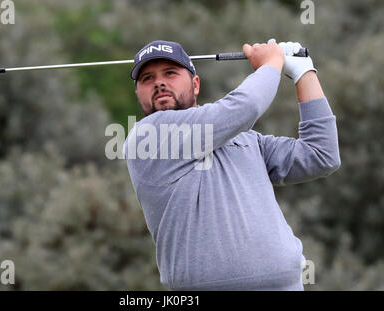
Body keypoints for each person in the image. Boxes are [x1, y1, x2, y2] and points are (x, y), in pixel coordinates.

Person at [123, 39, 340, 290]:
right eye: (147, 78)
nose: (159, 82)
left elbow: (321, 155)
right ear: (138, 93)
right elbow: (244, 107)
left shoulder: (244, 138)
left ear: (195, 85)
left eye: (170, 73)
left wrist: (304, 73)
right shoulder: (147, 137)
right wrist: (271, 63)